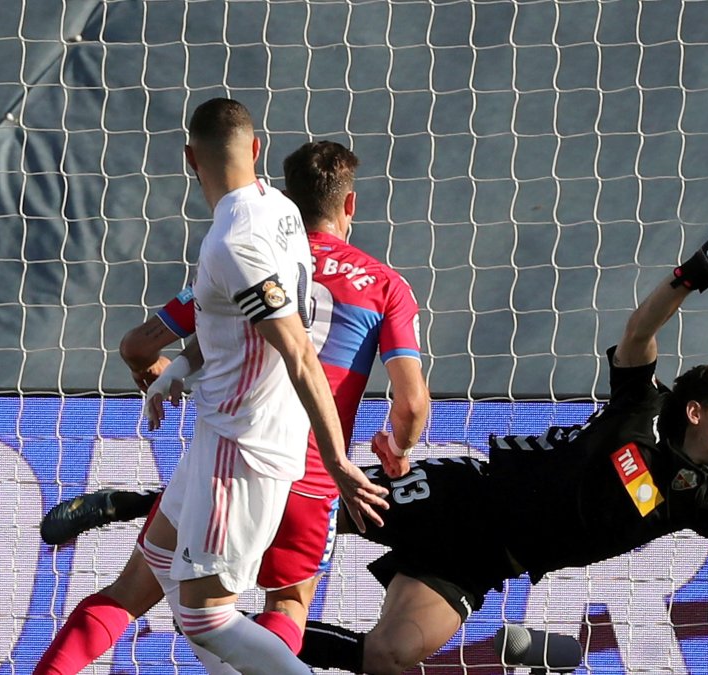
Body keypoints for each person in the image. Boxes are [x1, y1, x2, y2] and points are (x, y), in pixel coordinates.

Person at [292, 211, 708, 674]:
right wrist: (694, 273)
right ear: (695, 410)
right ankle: (208, 578)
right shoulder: (641, 406)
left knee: (388, 655)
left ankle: (238, 631)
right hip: (465, 497)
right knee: (289, 519)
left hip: (486, 562)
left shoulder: (703, 499)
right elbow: (639, 330)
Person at [33, 139, 428, 674]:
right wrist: (397, 448)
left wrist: (167, 376)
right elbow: (411, 402)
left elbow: (141, 343)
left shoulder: (252, 253)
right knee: (282, 606)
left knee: (132, 594)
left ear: (287, 197)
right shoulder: (385, 286)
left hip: (230, 450)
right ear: (349, 205)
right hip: (309, 472)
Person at [138, 98, 388, 674]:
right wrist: (180, 370)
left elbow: (298, 348)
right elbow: (232, 324)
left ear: (187, 160)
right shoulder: (279, 209)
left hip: (244, 443)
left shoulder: (234, 244)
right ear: (256, 150)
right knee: (159, 554)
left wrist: (338, 461)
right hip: (219, 428)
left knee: (206, 616)